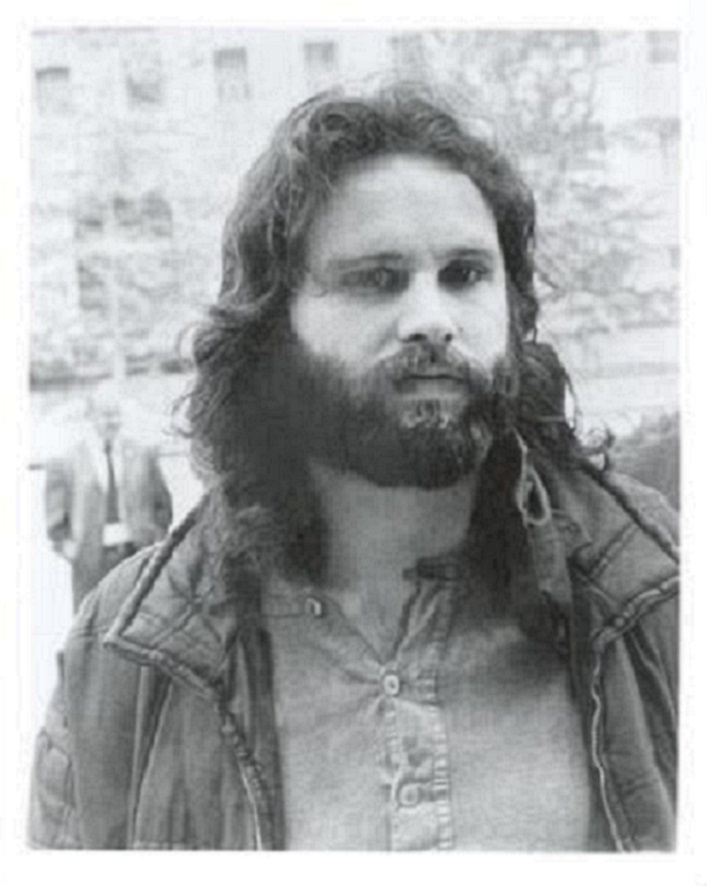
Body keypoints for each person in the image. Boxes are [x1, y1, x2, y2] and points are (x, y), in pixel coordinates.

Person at [29, 83, 678, 851]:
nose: (432, 320)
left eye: (465, 274)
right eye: (377, 279)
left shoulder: (655, 588)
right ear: (274, 329)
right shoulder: (125, 657)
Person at [44, 381, 174, 612]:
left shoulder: (143, 454)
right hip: (90, 562)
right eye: (105, 415)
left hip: (137, 555)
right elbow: (55, 515)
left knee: (138, 621)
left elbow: (162, 504)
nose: (112, 421)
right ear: (91, 417)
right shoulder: (67, 460)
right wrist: (67, 546)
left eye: (116, 415)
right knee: (92, 622)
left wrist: (156, 537)